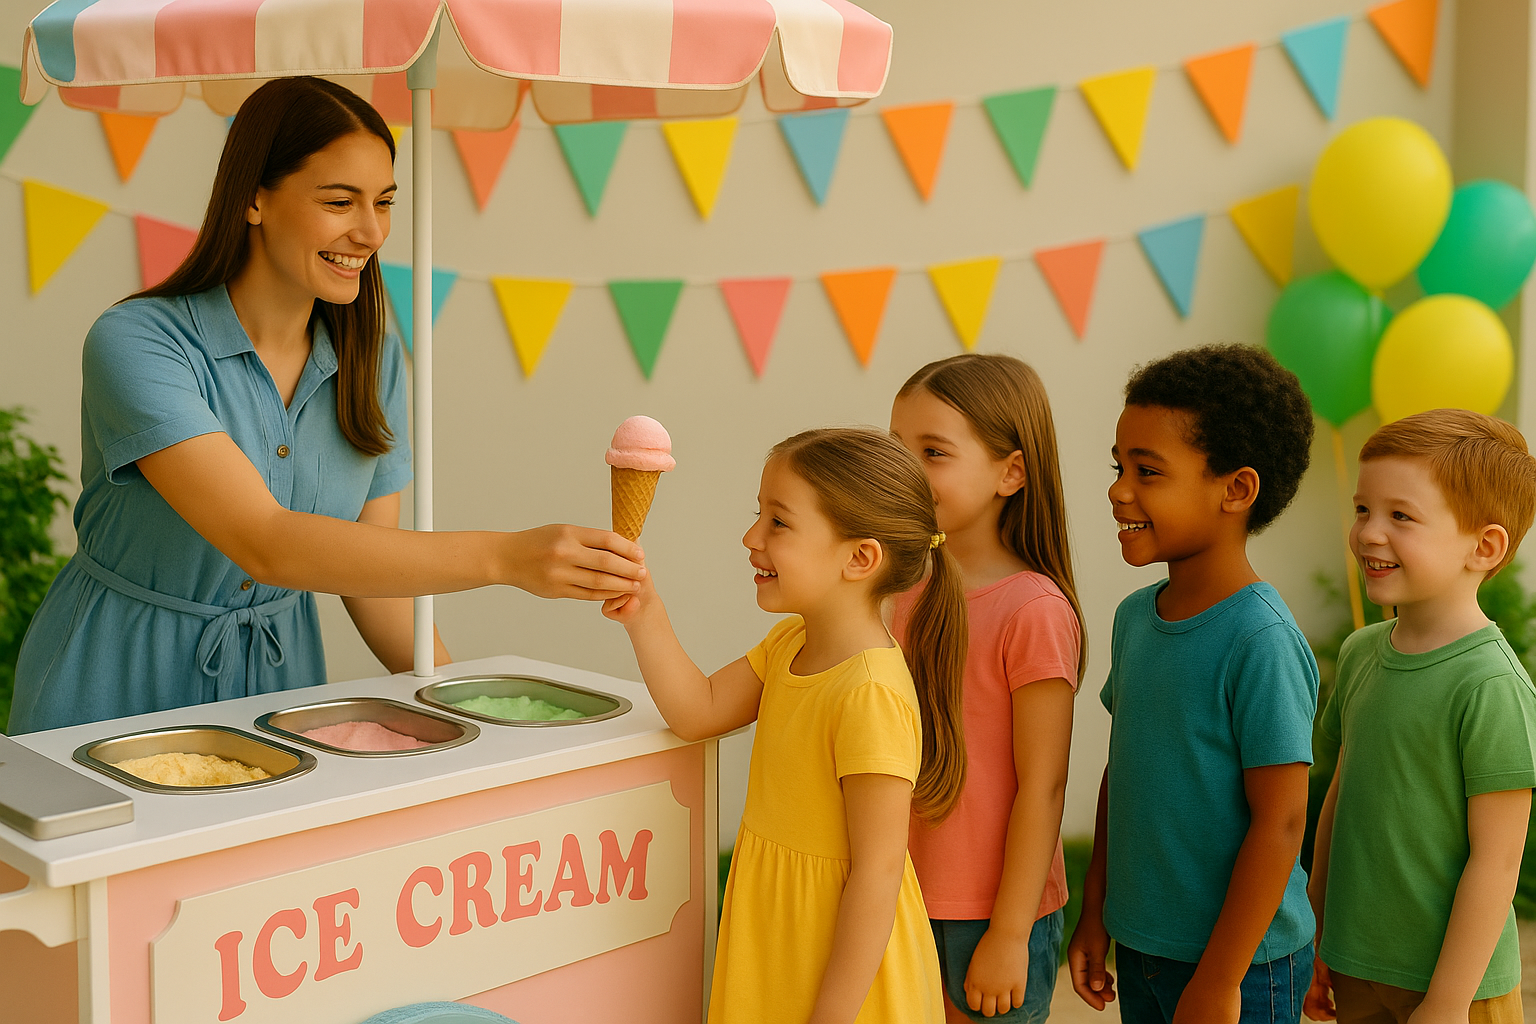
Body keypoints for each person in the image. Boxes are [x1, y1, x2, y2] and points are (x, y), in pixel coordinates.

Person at [10, 77, 644, 734]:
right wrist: (506, 558)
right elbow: (265, 542)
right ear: (255, 198)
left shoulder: (374, 364)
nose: (370, 231)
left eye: (385, 202)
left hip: (273, 696)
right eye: (340, 201)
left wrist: (463, 717)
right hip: (115, 683)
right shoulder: (139, 343)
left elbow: (373, 576)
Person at [603, 427, 966, 1023]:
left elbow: (877, 876)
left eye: (779, 522)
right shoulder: (789, 642)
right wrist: (644, 611)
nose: (752, 537)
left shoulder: (870, 693)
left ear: (860, 557)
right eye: (759, 515)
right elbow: (699, 710)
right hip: (776, 936)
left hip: (844, 981)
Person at [1067, 345, 1319, 1024]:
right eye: (1119, 467)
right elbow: (1126, 773)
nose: (1120, 489)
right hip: (1145, 946)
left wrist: (1219, 979)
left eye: (1148, 471)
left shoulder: (1260, 641)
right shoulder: (1133, 619)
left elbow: (1282, 819)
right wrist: (1094, 911)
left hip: (1244, 968)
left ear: (1236, 489)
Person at [1305, 409, 1536, 1024]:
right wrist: (1315, 929)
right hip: (1356, 966)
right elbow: (1339, 799)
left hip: (1457, 990)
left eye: (1400, 516)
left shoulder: (1489, 684)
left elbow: (1497, 861)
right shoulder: (1359, 653)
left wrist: (1448, 1002)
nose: (1368, 533)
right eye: (1362, 509)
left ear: (1483, 547)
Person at [888, 354, 1085, 1023]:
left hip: (995, 916)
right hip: (901, 897)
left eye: (933, 451)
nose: (907, 469)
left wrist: (1009, 934)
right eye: (896, 448)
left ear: (1012, 472)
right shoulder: (899, 591)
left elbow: (1044, 786)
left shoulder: (1034, 611)